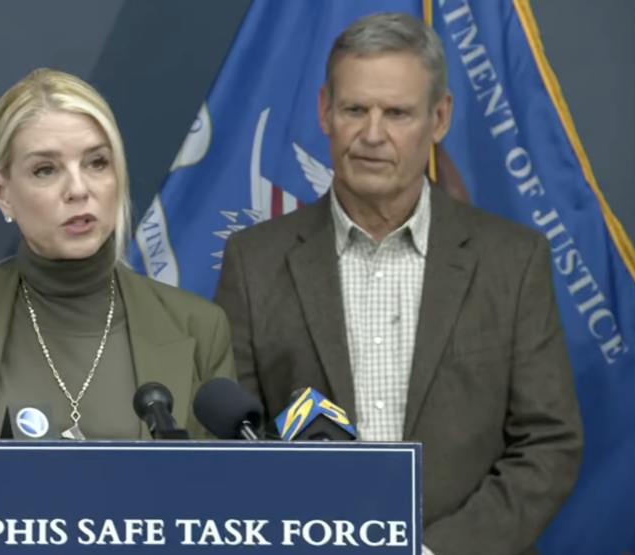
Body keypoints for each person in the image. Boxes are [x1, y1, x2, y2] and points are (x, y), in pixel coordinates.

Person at [214, 13, 583, 555]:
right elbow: (232, 446)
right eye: (355, 109)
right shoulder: (254, 262)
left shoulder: (513, 260)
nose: (372, 135)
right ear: (325, 111)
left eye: (397, 113)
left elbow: (549, 444)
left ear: (439, 118)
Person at [0, 68, 235, 441]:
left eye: (96, 162)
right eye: (45, 170)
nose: (78, 189)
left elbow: (223, 477)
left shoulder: (198, 328)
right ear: (3, 193)